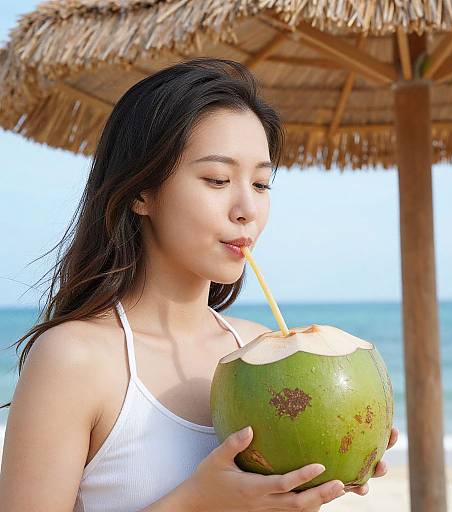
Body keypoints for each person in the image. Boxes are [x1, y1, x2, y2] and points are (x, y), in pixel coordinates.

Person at [0, 57, 398, 511]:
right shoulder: (75, 359)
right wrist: (196, 502)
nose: (247, 207)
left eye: (262, 184)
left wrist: (327, 462)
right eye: (218, 179)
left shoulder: (257, 350)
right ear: (140, 192)